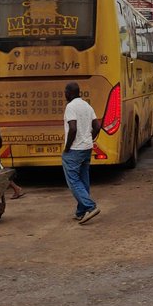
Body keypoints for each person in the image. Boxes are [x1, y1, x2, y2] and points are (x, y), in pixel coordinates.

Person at [62, 82, 102, 223]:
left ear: (69, 93)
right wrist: (89, 138)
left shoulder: (70, 107)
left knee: (73, 181)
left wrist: (67, 147)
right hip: (87, 147)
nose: (65, 95)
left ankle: (91, 207)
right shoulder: (87, 106)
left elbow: (73, 128)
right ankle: (80, 212)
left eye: (65, 92)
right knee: (84, 180)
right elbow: (97, 126)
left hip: (74, 149)